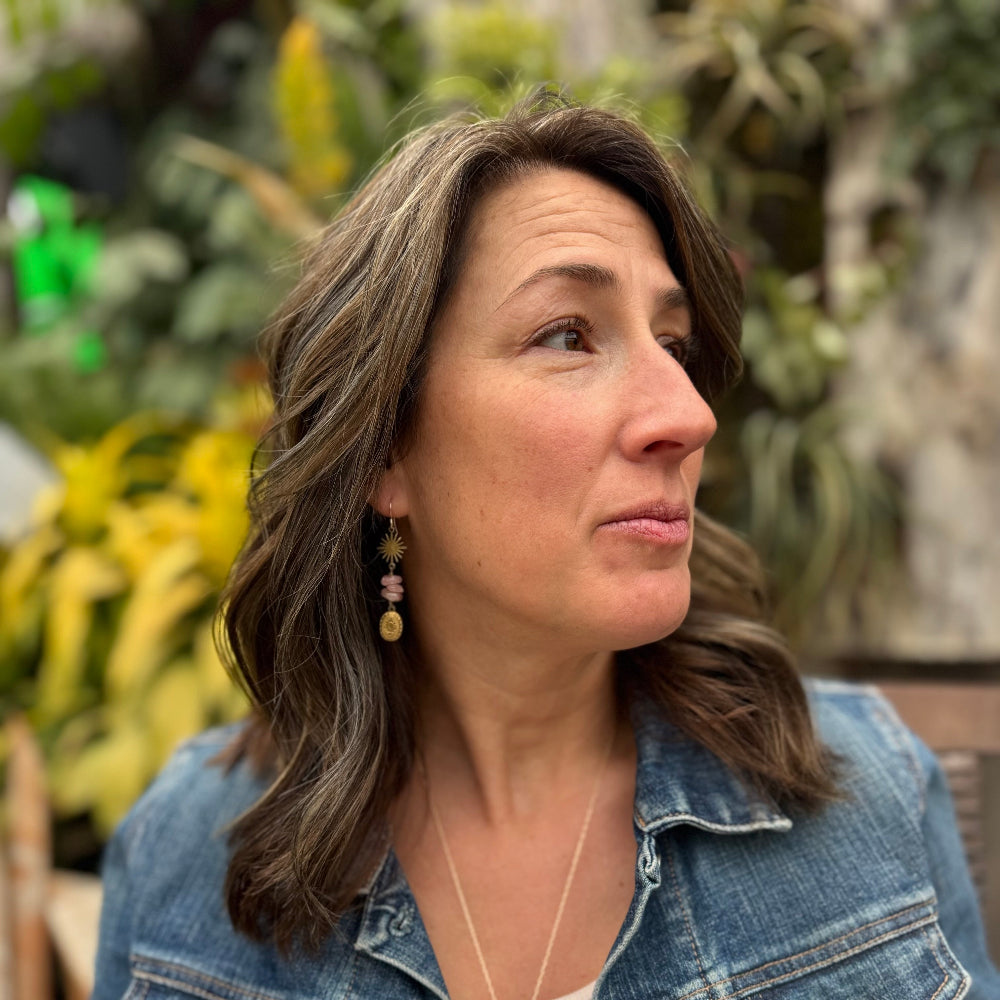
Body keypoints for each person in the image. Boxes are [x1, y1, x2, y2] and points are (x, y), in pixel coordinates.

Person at [92, 91, 1000, 1000]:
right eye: (569, 334)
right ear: (386, 451)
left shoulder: (866, 796)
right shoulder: (186, 862)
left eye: (675, 344)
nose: (687, 417)